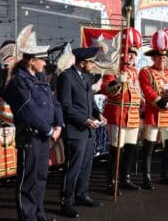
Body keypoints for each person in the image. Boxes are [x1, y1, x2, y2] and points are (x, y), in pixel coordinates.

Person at [3, 29, 62, 221]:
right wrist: (49, 129)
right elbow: (29, 112)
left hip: (43, 137)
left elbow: (54, 103)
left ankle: (38, 213)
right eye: (42, 59)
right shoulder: (18, 82)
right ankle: (27, 217)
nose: (45, 63)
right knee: (27, 182)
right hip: (30, 137)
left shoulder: (39, 79)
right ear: (31, 61)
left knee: (41, 179)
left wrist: (59, 124)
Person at [57, 47, 107, 218]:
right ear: (83, 62)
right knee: (73, 167)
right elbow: (66, 106)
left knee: (86, 165)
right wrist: (85, 120)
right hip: (75, 130)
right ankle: (66, 202)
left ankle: (81, 194)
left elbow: (90, 101)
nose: (94, 65)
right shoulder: (66, 77)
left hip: (88, 131)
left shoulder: (86, 76)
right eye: (92, 62)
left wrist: (98, 113)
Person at [138, 29, 168, 190]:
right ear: (153, 58)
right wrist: (161, 102)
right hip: (154, 114)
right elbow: (147, 90)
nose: (162, 60)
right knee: (149, 147)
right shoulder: (145, 72)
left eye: (164, 57)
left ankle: (166, 175)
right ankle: (146, 177)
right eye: (159, 57)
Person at [101, 32, 142, 194]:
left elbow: (136, 92)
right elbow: (106, 89)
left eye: (133, 53)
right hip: (118, 113)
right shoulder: (113, 68)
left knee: (131, 149)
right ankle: (112, 182)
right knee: (116, 151)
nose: (131, 56)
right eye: (128, 52)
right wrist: (118, 81)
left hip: (132, 116)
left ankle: (125, 178)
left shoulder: (134, 71)